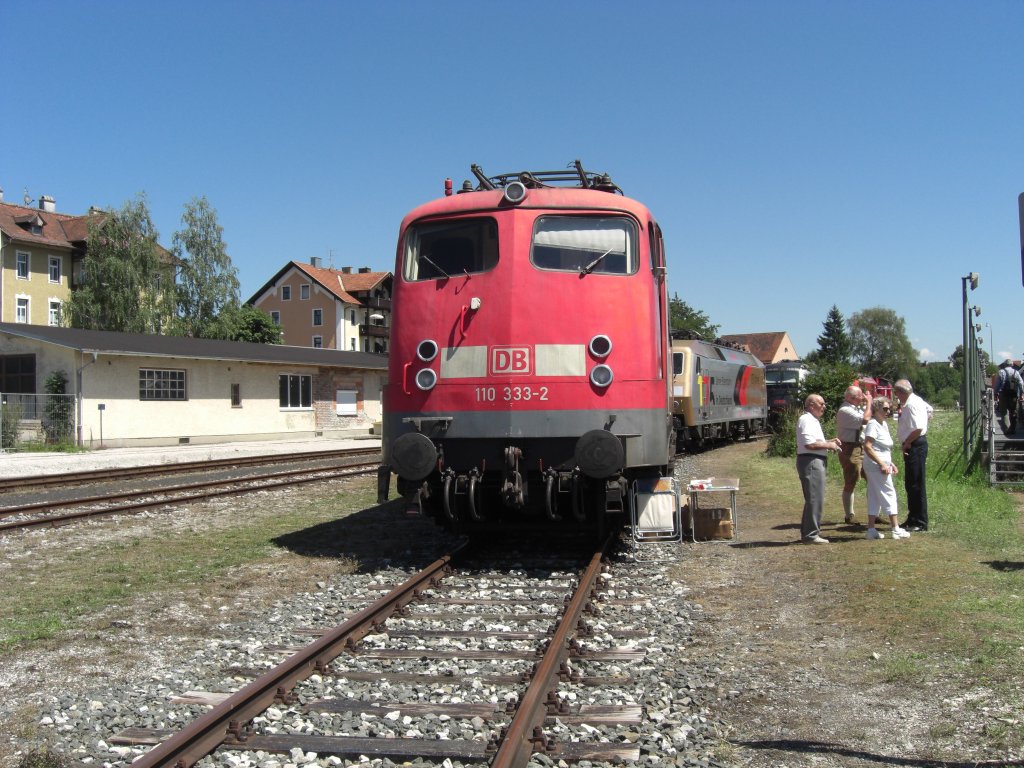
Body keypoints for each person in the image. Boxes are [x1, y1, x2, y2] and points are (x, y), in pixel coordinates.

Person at [861, 396, 910, 540]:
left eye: (890, 408)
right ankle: (895, 528)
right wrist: (882, 464)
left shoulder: (883, 424)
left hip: (882, 463)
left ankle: (871, 529)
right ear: (876, 409)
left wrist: (890, 463)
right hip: (875, 466)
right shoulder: (873, 424)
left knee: (874, 495)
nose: (888, 411)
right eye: (885, 409)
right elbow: (868, 447)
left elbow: (883, 448)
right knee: (889, 493)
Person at [796, 394, 842, 544]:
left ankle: (809, 533)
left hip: (814, 460)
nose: (824, 406)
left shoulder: (811, 420)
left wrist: (828, 441)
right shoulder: (806, 420)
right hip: (811, 461)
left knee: (815, 498)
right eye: (821, 404)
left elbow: (813, 441)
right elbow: (809, 444)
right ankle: (810, 535)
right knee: (815, 498)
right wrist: (829, 445)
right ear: (811, 405)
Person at [893, 379, 931, 531]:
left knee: (916, 483)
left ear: (901, 392)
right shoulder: (916, 400)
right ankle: (913, 517)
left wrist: (908, 442)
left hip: (915, 444)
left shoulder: (911, 404)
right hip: (915, 443)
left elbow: (917, 428)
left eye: (897, 393)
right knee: (911, 482)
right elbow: (930, 411)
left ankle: (920, 521)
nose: (897, 397)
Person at [835, 385, 872, 524]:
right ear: (850, 397)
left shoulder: (855, 409)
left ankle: (873, 512)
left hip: (861, 446)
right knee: (851, 480)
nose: (862, 398)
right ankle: (849, 515)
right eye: (860, 396)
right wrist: (869, 403)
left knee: (871, 478)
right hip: (850, 448)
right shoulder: (845, 411)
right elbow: (865, 420)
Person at [994, 360, 1023, 434]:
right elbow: (1021, 383)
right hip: (1013, 394)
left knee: (1004, 412)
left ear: (1004, 365)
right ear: (1012, 365)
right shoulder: (1016, 372)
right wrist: (1022, 394)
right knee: (1013, 411)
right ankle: (1013, 429)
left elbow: (997, 384)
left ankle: (1007, 429)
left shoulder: (1001, 372)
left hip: (1003, 394)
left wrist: (995, 393)